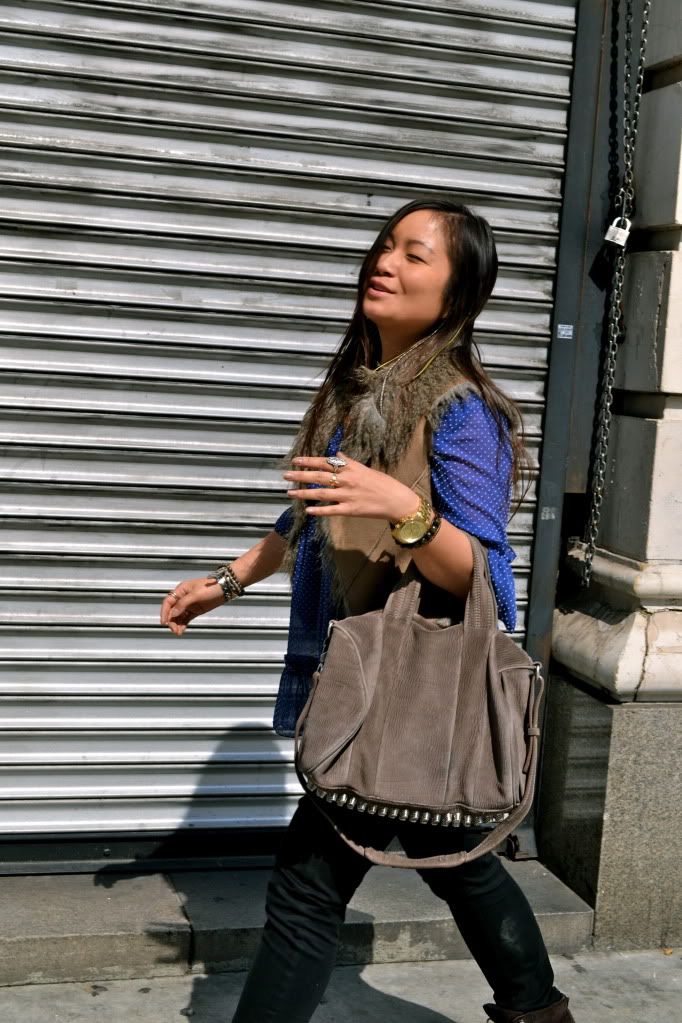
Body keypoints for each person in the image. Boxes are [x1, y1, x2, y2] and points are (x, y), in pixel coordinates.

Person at [159, 198, 576, 1023]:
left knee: (306, 889)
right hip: (363, 674)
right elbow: (308, 515)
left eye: (416, 255)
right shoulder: (359, 396)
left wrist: (405, 509)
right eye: (386, 246)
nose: (385, 261)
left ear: (459, 294)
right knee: (455, 856)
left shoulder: (460, 409)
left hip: (399, 684)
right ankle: (538, 1009)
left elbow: (485, 576)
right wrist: (228, 581)